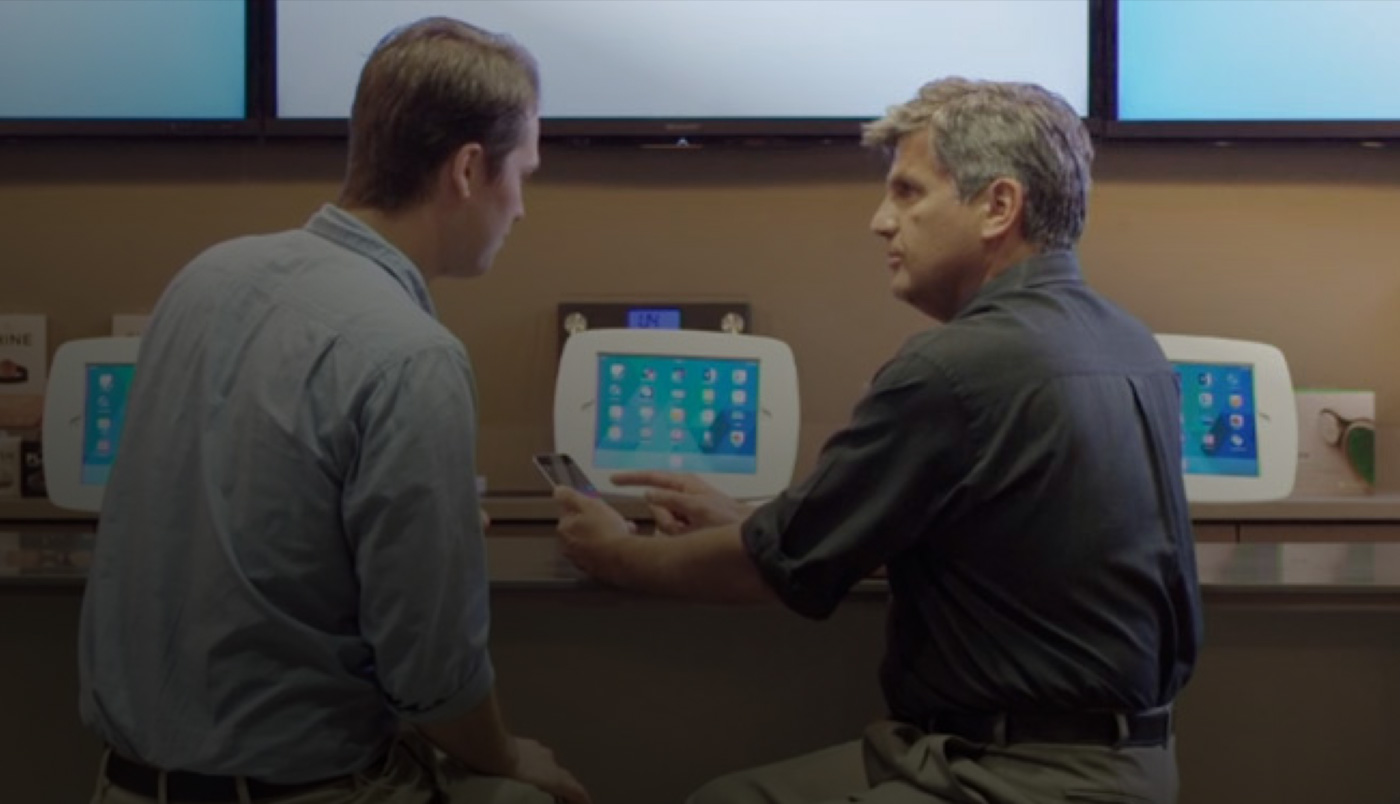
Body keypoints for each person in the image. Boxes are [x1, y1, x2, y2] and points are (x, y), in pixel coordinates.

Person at [554, 78, 1201, 804]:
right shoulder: (1128, 343)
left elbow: (763, 575)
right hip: (1121, 758)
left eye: (908, 192)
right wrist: (755, 525)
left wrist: (613, 553)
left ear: (998, 207)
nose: (880, 221)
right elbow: (988, 542)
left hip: (1015, 774)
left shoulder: (955, 369)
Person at [79, 18, 589, 804]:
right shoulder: (414, 356)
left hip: (126, 783)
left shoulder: (207, 278)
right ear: (466, 170)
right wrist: (512, 756)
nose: (521, 207)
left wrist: (393, 534)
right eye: (524, 173)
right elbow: (433, 677)